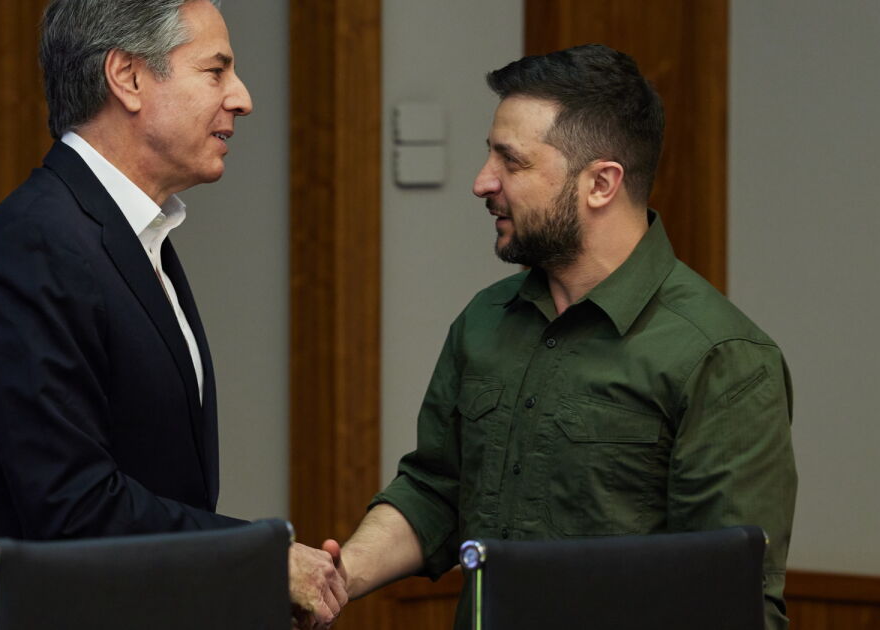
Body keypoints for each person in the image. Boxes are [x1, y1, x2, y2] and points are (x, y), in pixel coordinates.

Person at [0, 1, 344, 628]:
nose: (242, 98)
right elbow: (71, 506)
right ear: (128, 77)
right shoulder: (34, 242)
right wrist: (259, 561)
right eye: (215, 70)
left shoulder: (132, 235)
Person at [327, 44, 797, 630]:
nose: (482, 182)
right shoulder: (485, 319)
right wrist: (337, 579)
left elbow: (729, 598)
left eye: (511, 161)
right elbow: (436, 491)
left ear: (600, 183)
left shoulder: (721, 357)